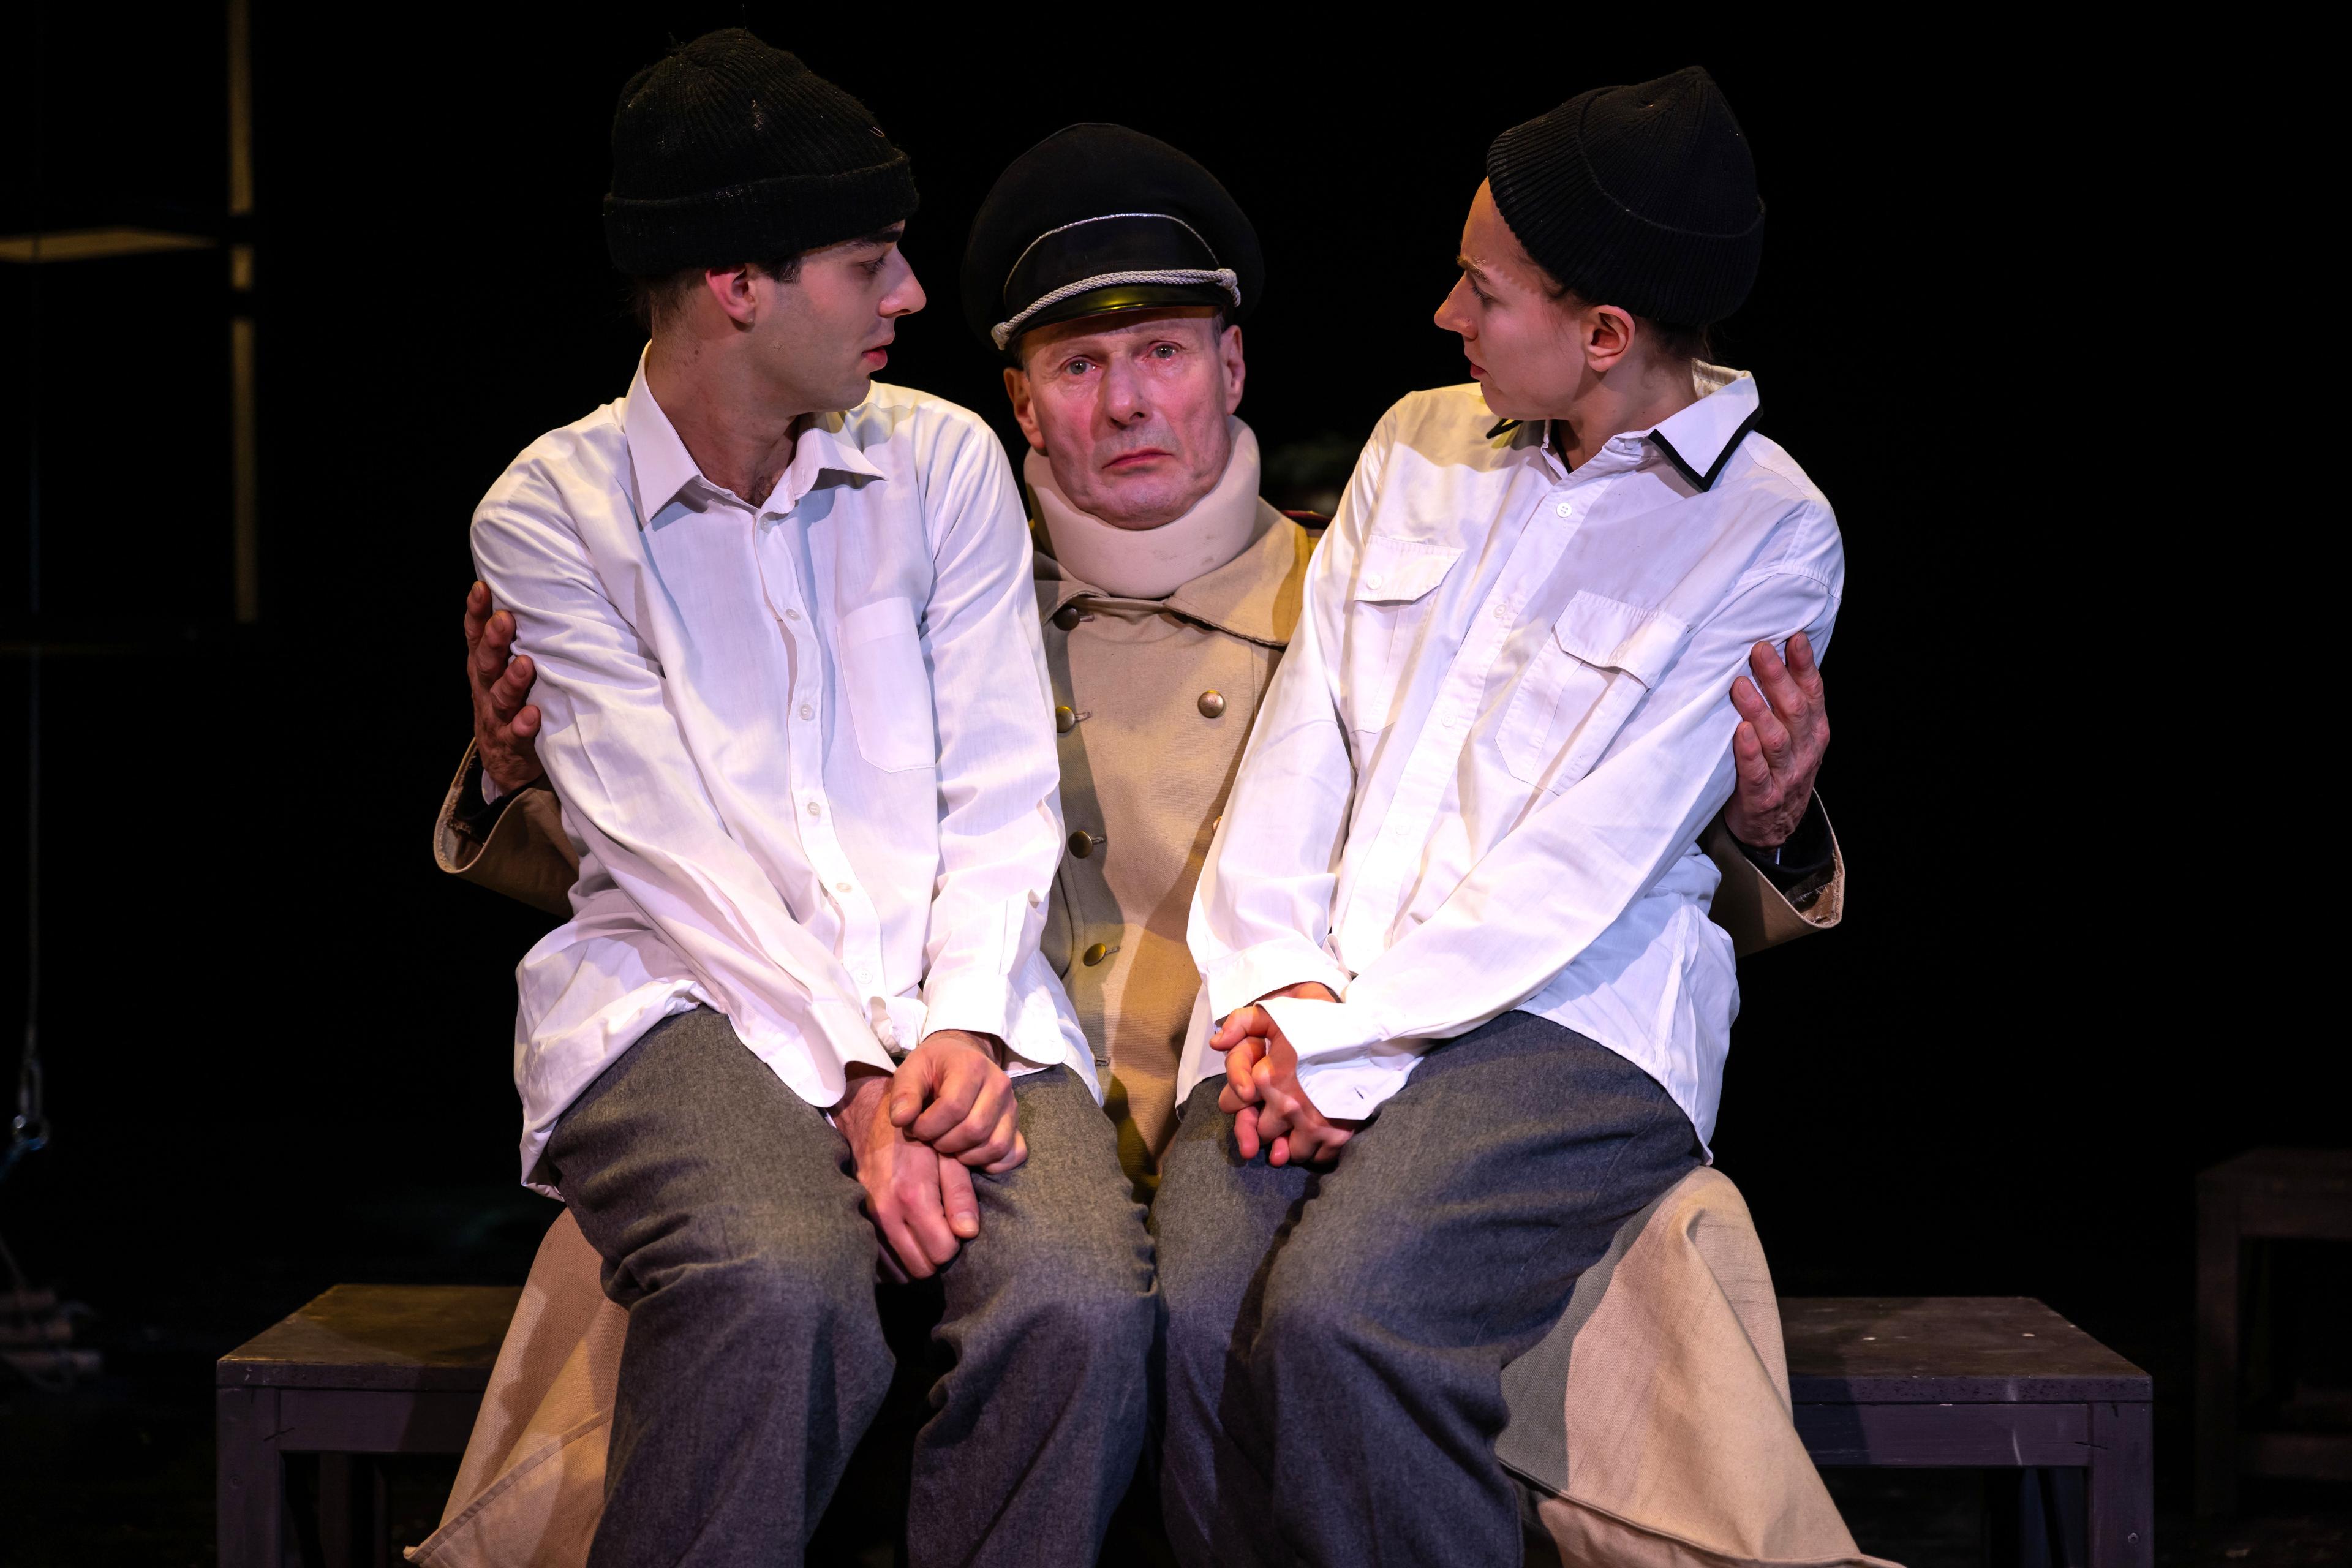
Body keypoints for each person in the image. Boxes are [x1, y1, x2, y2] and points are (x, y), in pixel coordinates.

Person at [464, 32, 1153, 1567]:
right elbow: (670, 851)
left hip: (950, 996)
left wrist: (965, 1024)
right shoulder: (552, 515)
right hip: (682, 996)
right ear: (734, 283)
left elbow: (999, 791)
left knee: (1083, 1304)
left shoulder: (945, 463)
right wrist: (855, 1080)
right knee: (777, 1278)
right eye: (870, 262)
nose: (911, 296)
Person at [1153, 66, 1842, 1566]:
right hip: (1319, 990)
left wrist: (1349, 1045)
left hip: (1571, 1024)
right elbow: (1302, 744)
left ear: (1604, 335)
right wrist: (1277, 990)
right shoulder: (1416, 443)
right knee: (1195, 1302)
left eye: (1484, 291)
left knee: (1353, 1315)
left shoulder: (1769, 531)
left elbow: (1588, 863)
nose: (1447, 319)